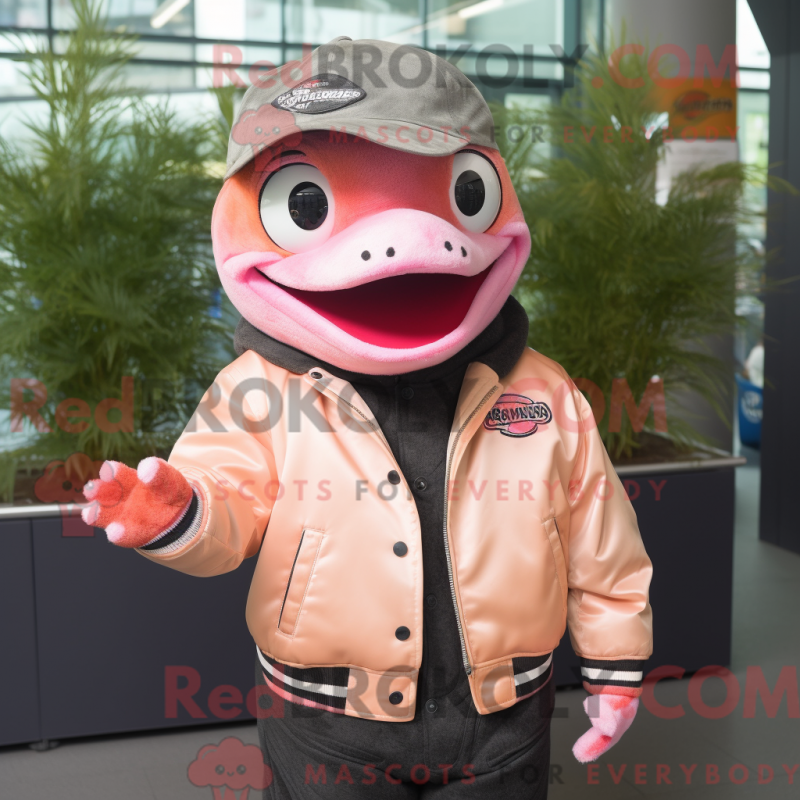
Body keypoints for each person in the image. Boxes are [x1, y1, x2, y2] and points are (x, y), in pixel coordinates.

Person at [82, 38, 652, 798]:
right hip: (325, 719)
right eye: (306, 204)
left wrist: (616, 663)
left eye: (465, 193)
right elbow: (228, 500)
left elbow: (599, 537)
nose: (404, 244)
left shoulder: (543, 390)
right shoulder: (257, 391)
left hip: (505, 714)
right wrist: (183, 512)